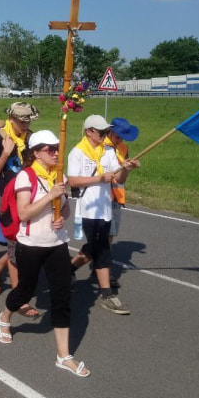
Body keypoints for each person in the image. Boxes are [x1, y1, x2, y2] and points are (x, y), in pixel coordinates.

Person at [0, 130, 90, 377]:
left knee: (62, 297)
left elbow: (65, 209)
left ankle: (63, 355)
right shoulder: (25, 177)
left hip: (57, 243)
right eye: (50, 149)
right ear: (36, 153)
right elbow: (24, 213)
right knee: (25, 291)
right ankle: (5, 317)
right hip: (30, 244)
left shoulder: (59, 176)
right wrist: (50, 196)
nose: (56, 152)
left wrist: (62, 217)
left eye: (57, 148)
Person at [66, 115, 140, 315]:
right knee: (102, 250)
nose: (105, 134)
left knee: (96, 247)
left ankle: (67, 270)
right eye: (101, 131)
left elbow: (118, 179)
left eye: (106, 131)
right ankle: (107, 295)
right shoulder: (78, 152)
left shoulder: (108, 151)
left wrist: (126, 169)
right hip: (88, 208)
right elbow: (73, 181)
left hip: (105, 208)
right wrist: (99, 178)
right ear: (89, 131)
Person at [0, 103, 42, 318]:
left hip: (27, 193)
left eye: (28, 121)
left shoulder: (30, 138)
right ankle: (20, 299)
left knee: (23, 242)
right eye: (22, 121)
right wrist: (6, 153)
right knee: (15, 244)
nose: (26, 125)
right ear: (11, 119)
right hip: (5, 196)